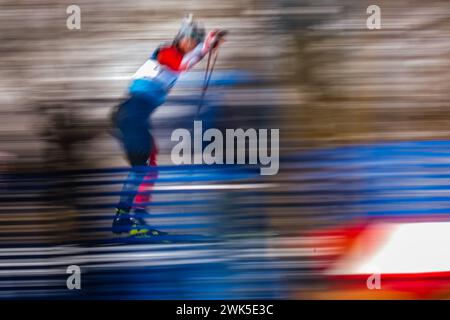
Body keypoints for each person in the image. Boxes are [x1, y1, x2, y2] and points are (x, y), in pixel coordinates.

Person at [112, 14, 225, 236]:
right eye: (191, 40)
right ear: (181, 38)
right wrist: (206, 45)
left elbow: (188, 61)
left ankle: (132, 217)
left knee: (149, 167)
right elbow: (183, 64)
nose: (192, 44)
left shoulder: (181, 56)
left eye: (196, 40)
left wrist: (207, 46)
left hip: (134, 116)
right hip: (131, 114)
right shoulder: (166, 52)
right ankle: (127, 219)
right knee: (143, 167)